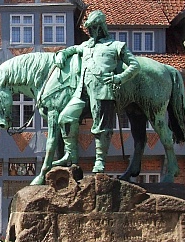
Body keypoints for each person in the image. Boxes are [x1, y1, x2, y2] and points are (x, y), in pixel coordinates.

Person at [50, 10, 140, 172]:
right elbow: (70, 50)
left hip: (103, 91)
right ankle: (70, 155)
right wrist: (60, 55)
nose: (90, 32)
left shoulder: (116, 46)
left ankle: (100, 161)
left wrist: (119, 78)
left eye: (93, 29)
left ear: (100, 28)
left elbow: (135, 66)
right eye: (89, 29)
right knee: (65, 118)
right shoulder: (86, 46)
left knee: (101, 127)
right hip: (81, 93)